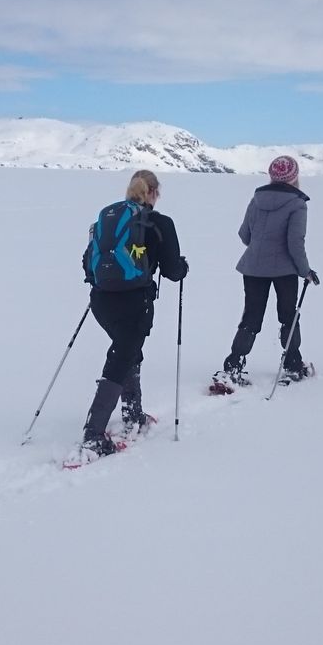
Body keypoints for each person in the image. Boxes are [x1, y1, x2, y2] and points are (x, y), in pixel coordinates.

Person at [78, 170, 188, 460]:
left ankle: (133, 413)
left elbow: (87, 261)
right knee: (121, 357)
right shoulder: (160, 223)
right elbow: (173, 271)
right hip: (135, 303)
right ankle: (93, 435)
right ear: (153, 192)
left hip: (101, 301)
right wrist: (183, 267)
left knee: (127, 352)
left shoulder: (107, 219)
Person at [217, 154, 320, 387]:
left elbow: (245, 235)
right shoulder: (297, 204)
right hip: (285, 271)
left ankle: (233, 367)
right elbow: (295, 243)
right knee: (288, 316)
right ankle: (292, 365)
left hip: (253, 268)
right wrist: (305, 270)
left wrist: (260, 247)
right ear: (294, 177)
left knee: (251, 317)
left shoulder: (257, 199)